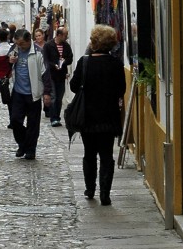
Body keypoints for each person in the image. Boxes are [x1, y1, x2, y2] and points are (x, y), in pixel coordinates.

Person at [69, 24, 126, 205]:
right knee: (107, 155)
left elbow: (73, 86)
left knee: (89, 153)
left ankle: (90, 188)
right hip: (108, 117)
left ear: (93, 42)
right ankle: (105, 194)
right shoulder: (116, 64)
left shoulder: (84, 62)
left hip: (88, 117)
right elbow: (121, 90)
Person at [8, 30, 52, 160]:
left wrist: (47, 93)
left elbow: (46, 73)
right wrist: (10, 61)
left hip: (34, 93)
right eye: (18, 43)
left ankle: (30, 150)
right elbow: (6, 66)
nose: (20, 46)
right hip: (17, 92)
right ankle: (23, 144)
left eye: (22, 44)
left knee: (33, 123)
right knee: (15, 120)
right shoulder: (14, 49)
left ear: (29, 41)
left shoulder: (38, 52)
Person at [43, 25, 74, 127]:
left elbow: (70, 58)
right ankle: (53, 118)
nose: (66, 37)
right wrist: (53, 65)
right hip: (51, 74)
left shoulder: (66, 46)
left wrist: (64, 62)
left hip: (61, 75)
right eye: (65, 35)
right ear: (59, 35)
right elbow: (45, 60)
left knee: (59, 98)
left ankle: (57, 117)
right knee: (54, 97)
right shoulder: (48, 45)